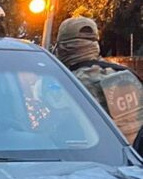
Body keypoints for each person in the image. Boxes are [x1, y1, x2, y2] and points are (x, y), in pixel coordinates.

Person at [54, 16, 143, 147]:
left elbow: (59, 133)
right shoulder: (125, 74)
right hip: (135, 158)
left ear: (63, 48)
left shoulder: (73, 84)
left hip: (101, 159)